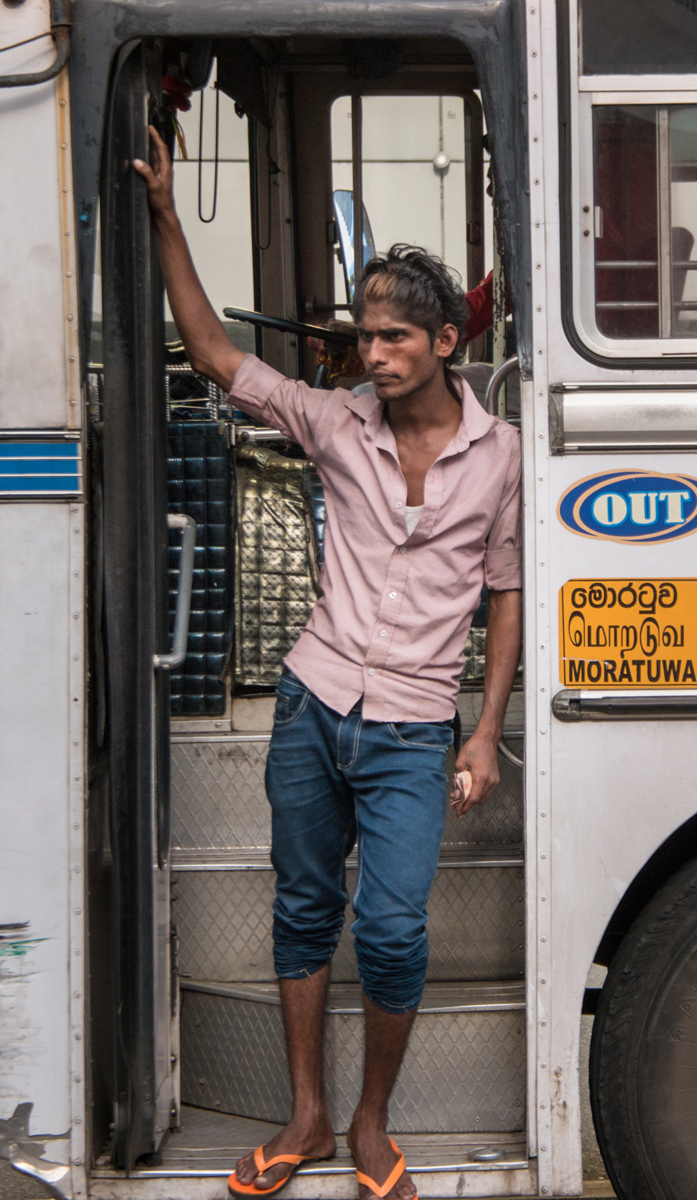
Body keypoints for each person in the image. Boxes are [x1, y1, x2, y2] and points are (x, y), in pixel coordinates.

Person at [134, 128, 522, 1200]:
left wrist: (483, 729)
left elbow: (503, 592)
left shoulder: (501, 458)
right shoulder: (328, 420)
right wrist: (170, 216)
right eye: (363, 337)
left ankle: (369, 1118)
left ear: (445, 340)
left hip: (409, 728)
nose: (372, 354)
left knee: (391, 928)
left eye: (394, 336)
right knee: (303, 907)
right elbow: (216, 355)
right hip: (313, 704)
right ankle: (304, 1115)